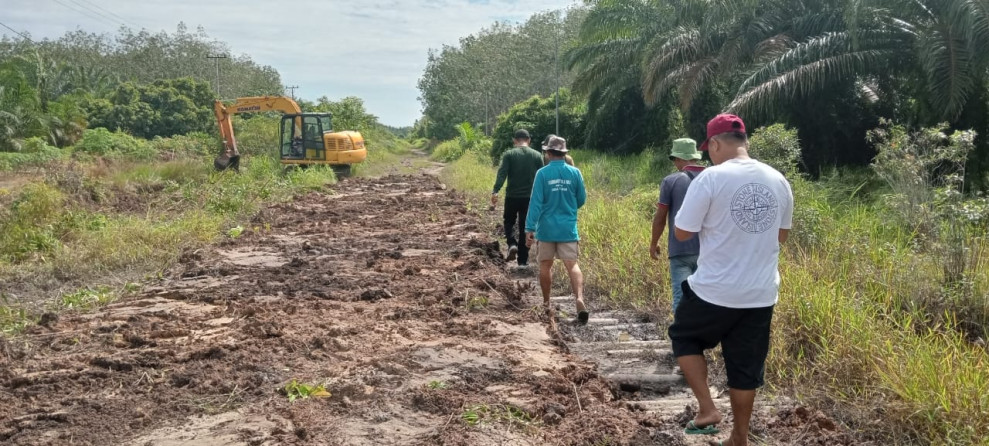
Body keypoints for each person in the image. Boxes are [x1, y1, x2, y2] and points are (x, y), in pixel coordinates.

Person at [668, 114, 793, 446]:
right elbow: (781, 236)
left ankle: (708, 409)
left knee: (683, 336)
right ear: (745, 142)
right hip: (760, 294)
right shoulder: (779, 179)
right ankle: (739, 437)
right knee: (745, 369)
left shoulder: (710, 178)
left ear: (715, 144)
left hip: (714, 290)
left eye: (708, 149)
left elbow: (683, 232)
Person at [524, 135, 589, 323]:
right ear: (563, 153)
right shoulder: (575, 173)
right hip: (568, 227)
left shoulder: (542, 174)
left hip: (546, 229)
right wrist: (569, 207)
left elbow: (536, 203)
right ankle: (579, 299)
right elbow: (581, 199)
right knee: (572, 264)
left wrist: (529, 228)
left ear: (548, 153)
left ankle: (546, 303)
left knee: (545, 265)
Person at [650, 138, 705, 312]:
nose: (674, 163)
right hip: (708, 250)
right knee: (705, 301)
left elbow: (660, 217)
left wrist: (654, 243)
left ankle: (682, 329)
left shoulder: (671, 181)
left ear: (680, 158)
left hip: (680, 250)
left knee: (681, 300)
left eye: (674, 159)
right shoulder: (712, 178)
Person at [491, 129, 545, 266]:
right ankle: (522, 261)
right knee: (525, 227)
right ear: (529, 140)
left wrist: (496, 190)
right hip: (530, 198)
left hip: (512, 196)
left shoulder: (509, 154)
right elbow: (542, 176)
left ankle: (512, 244)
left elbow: (502, 173)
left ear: (515, 140)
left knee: (508, 221)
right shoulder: (537, 155)